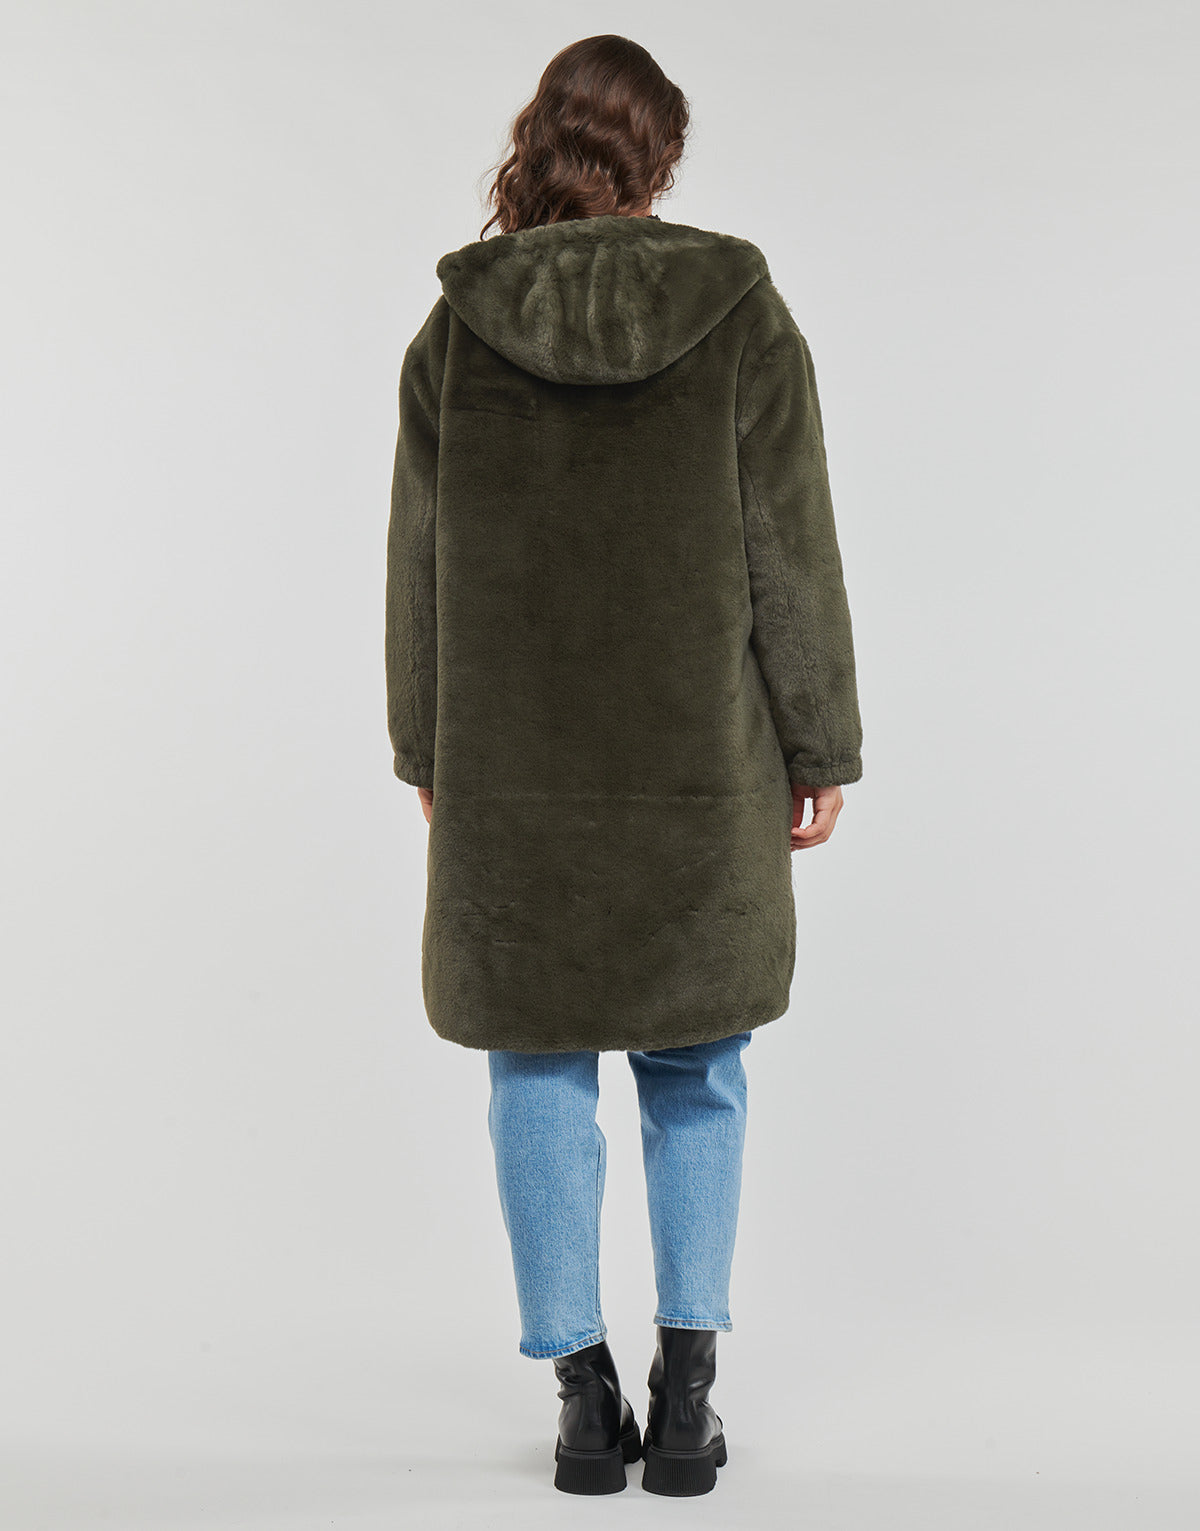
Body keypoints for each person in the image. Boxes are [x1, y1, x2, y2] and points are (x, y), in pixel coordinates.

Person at [384, 34, 863, 1497]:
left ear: (541, 141)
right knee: (698, 1060)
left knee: (535, 1057)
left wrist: (424, 743)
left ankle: (583, 1401)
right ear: (660, 155)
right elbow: (790, 543)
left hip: (514, 770)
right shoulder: (738, 309)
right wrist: (820, 737)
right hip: (698, 770)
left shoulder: (456, 331)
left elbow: (417, 565)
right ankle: (689, 1397)